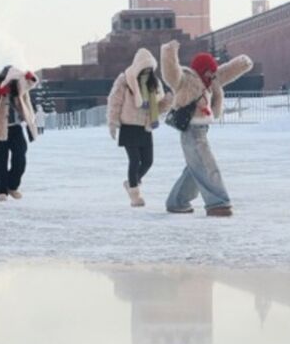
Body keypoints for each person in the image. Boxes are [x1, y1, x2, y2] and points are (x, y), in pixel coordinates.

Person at [159, 42, 253, 217]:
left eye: (213, 71)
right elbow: (170, 72)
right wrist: (169, 52)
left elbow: (226, 72)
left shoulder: (210, 81)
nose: (212, 74)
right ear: (202, 69)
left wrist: (242, 64)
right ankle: (218, 202)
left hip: (202, 129)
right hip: (191, 130)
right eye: (209, 71)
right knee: (206, 164)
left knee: (195, 167)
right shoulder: (185, 80)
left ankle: (177, 201)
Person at [107, 48, 168, 207]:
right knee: (134, 160)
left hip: (145, 127)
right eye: (144, 68)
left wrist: (168, 102)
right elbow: (115, 102)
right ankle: (135, 195)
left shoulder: (154, 83)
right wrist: (112, 122)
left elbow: (159, 105)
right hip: (129, 126)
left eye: (149, 69)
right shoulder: (125, 80)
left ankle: (131, 182)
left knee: (148, 161)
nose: (146, 72)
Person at [0, 66, 39, 202]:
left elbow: (30, 85)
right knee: (1, 161)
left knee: (20, 158)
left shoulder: (18, 85)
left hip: (16, 128)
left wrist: (29, 77)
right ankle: (1, 191)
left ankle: (12, 186)